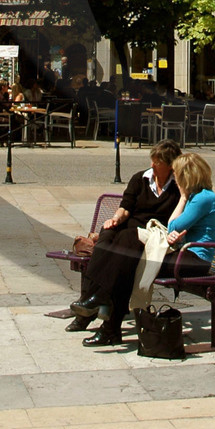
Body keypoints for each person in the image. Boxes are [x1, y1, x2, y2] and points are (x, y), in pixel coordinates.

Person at [76, 151, 215, 347]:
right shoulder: (197, 196)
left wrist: (183, 198)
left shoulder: (202, 198)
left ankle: (107, 318)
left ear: (187, 175)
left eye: (177, 173)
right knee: (127, 251)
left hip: (194, 261)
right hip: (184, 253)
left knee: (128, 263)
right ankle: (108, 322)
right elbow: (177, 227)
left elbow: (174, 225)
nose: (175, 177)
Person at [65, 140, 183, 333]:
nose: (152, 165)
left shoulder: (178, 187)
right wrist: (115, 219)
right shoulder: (140, 179)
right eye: (152, 160)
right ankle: (95, 306)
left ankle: (88, 310)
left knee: (122, 255)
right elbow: (126, 206)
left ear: (170, 166)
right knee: (108, 232)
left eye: (157, 162)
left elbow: (175, 220)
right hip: (129, 228)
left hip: (149, 234)